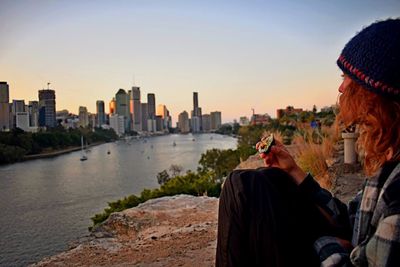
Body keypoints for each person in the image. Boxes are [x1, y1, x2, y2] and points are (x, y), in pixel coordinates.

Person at [216, 18, 400, 267]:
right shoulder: (388, 158)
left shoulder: (398, 190)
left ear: (377, 91)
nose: (341, 87)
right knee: (255, 182)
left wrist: (319, 242)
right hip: (342, 247)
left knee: (241, 189)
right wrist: (293, 170)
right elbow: (351, 221)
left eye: (348, 78)